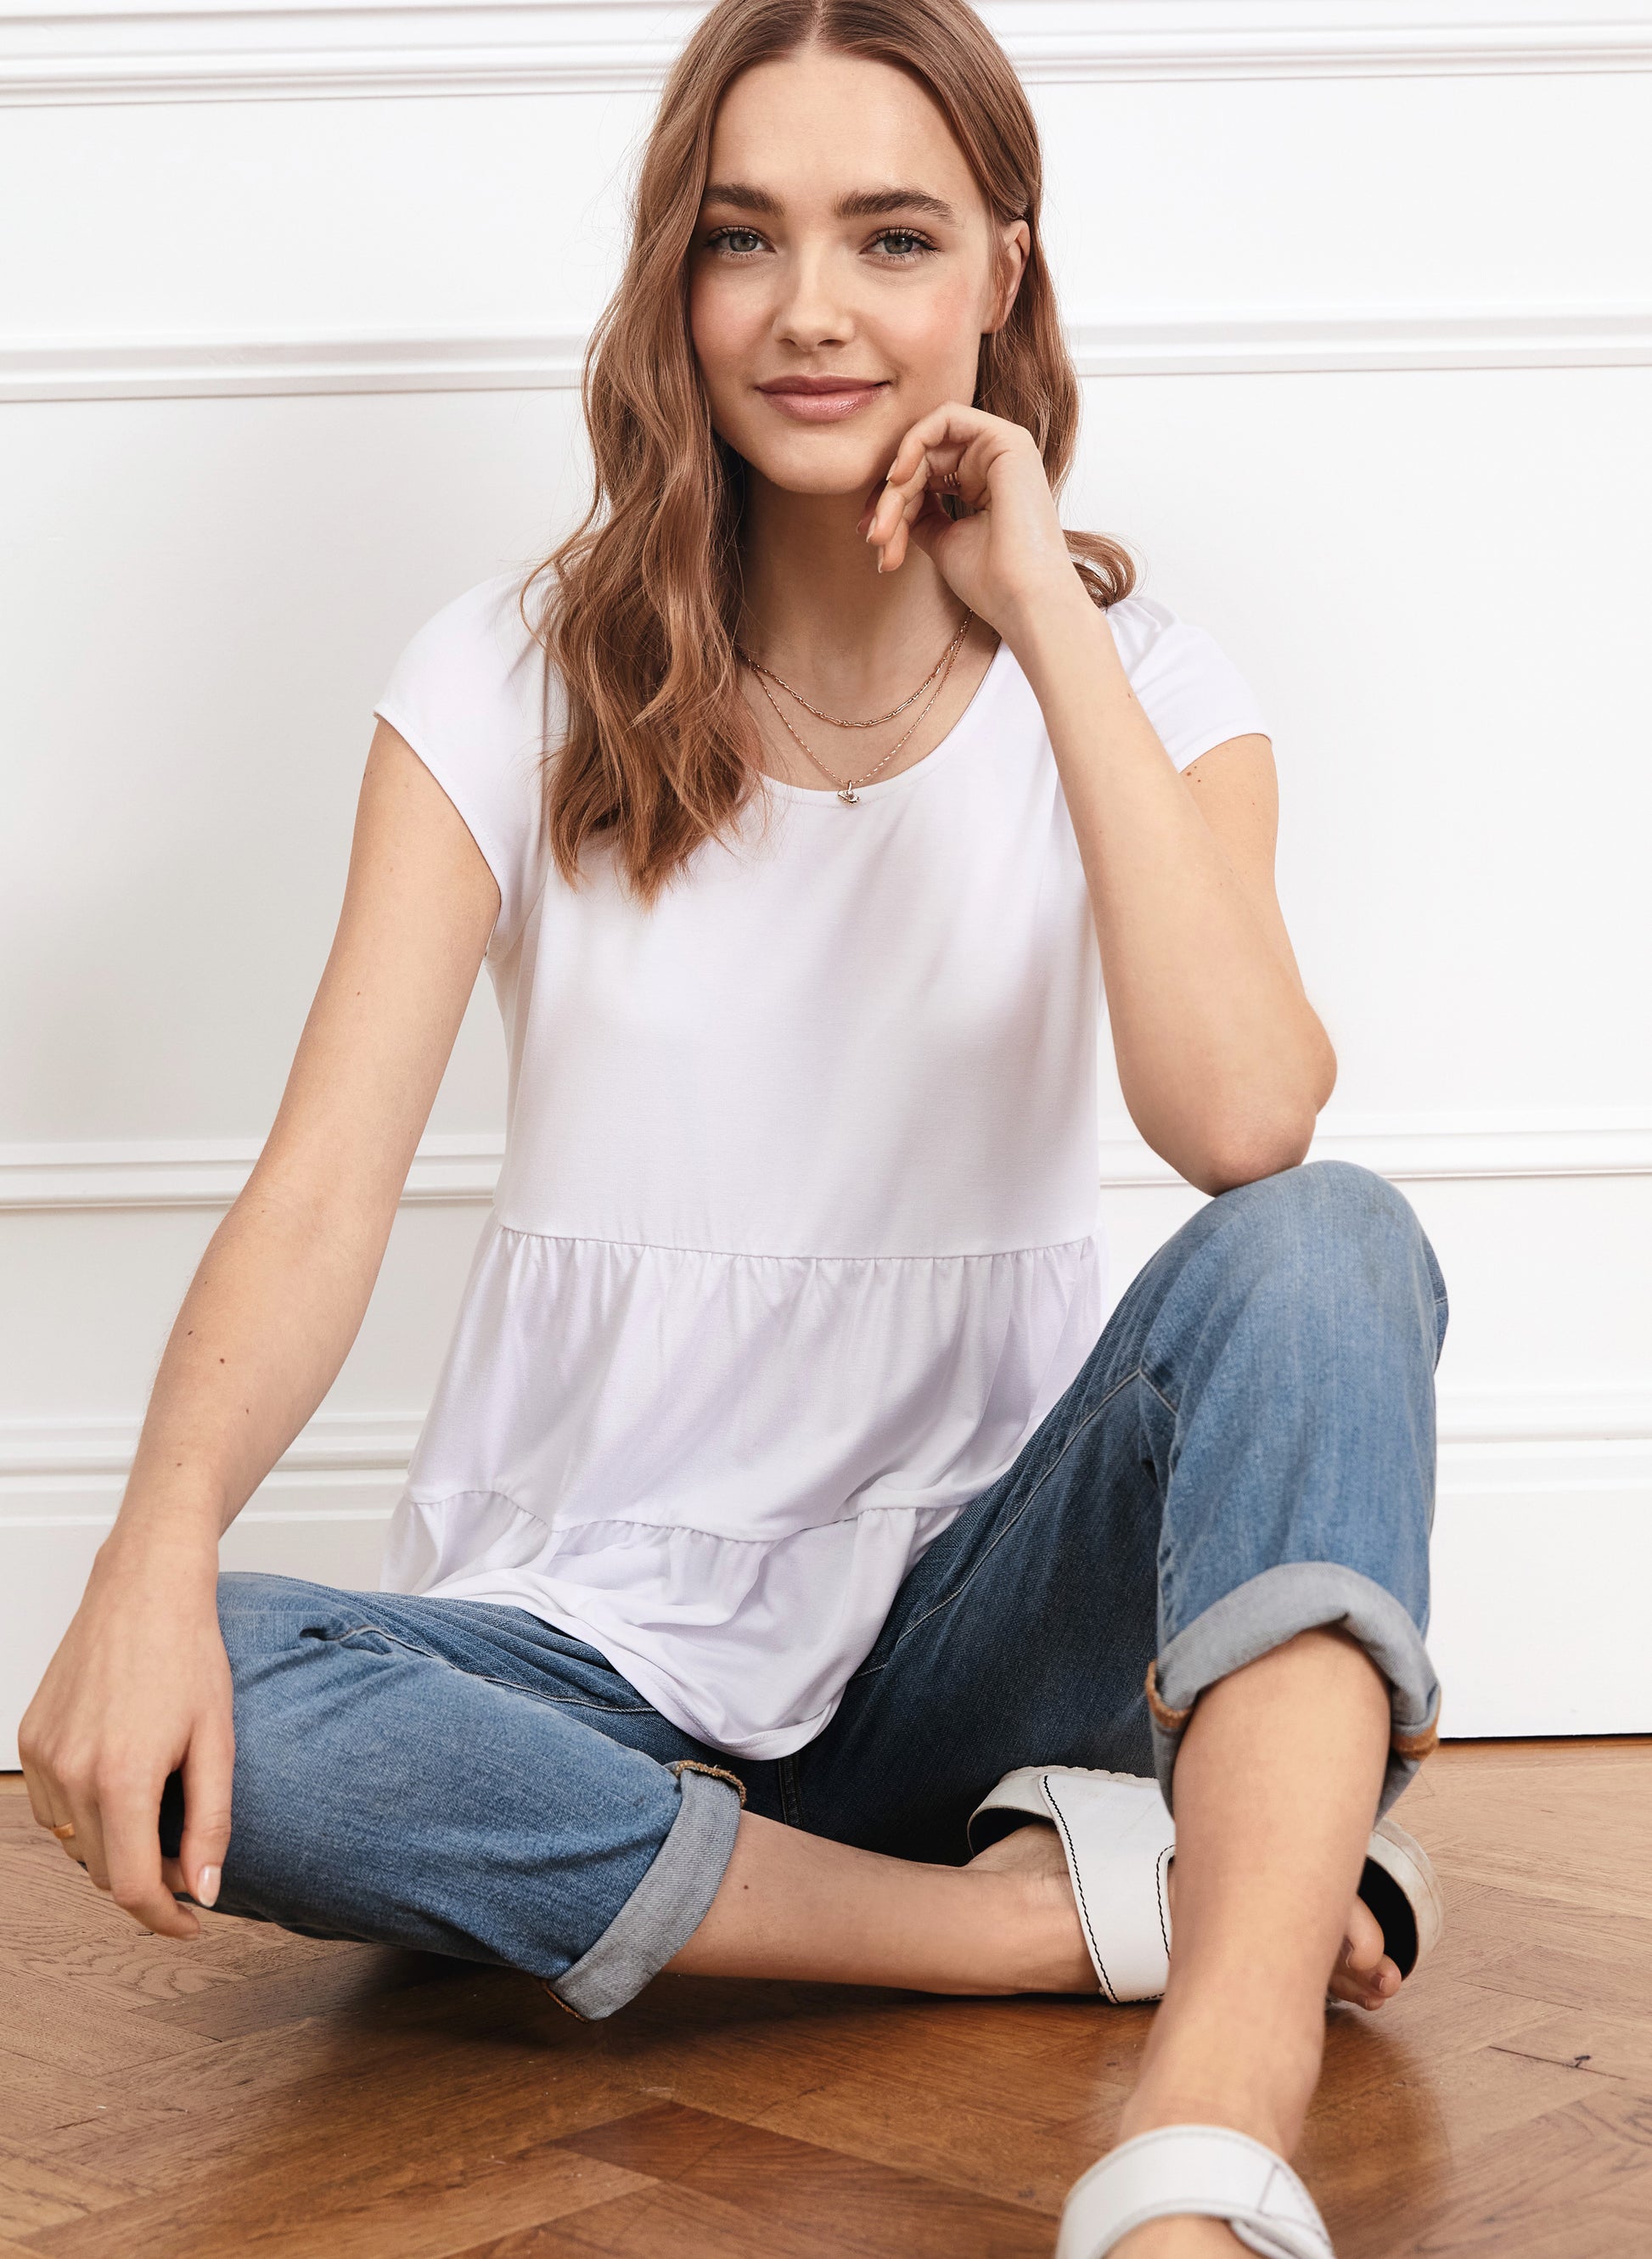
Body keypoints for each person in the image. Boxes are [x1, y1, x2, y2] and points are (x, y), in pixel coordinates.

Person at [20, 2, 1449, 2251]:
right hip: (593, 1651)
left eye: (892, 237)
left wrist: (1039, 612)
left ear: (1001, 269)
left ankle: (1210, 2126)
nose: (809, 310)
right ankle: (1039, 1918)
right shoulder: (500, 676)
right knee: (240, 1703)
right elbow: (321, 1192)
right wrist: (148, 1556)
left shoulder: (1147, 684)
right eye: (741, 237)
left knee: (1334, 1237)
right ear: (670, 283)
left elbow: (1245, 1119)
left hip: (979, 1625)